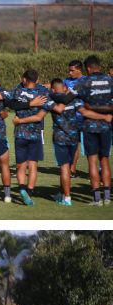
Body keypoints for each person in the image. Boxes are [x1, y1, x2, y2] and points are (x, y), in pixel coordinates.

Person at [69, 56, 113, 205]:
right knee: (105, 160)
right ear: (98, 66)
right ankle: (107, 197)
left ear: (87, 68)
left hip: (90, 126)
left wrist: (90, 107)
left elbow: (68, 97)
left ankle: (97, 199)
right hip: (106, 125)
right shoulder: (110, 80)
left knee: (92, 161)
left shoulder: (84, 82)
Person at [10, 70, 50, 206]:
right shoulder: (43, 93)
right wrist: (32, 104)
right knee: (33, 165)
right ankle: (30, 191)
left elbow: (11, 104)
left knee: (21, 165)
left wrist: (20, 119)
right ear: (37, 80)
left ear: (25, 79)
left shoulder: (17, 89)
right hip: (35, 134)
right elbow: (39, 116)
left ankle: (22, 190)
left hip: (20, 133)